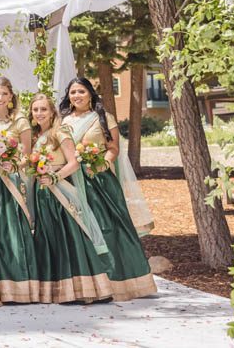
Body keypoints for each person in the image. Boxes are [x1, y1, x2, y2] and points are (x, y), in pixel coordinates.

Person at [61, 77, 156, 301]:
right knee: (82, 230)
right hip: (73, 182)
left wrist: (102, 164)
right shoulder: (64, 121)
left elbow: (113, 147)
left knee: (109, 229)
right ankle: (90, 285)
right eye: (73, 92)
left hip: (99, 181)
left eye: (81, 92)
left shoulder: (103, 117)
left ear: (91, 94)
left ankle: (121, 282)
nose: (77, 96)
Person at [29, 93, 112, 303]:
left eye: (43, 109)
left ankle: (84, 289)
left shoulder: (60, 132)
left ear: (52, 111)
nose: (39, 113)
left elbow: (73, 163)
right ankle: (59, 290)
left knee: (70, 237)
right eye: (35, 109)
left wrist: (54, 177)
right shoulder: (36, 135)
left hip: (61, 191)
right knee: (51, 239)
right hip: (43, 194)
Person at [0, 77, 40, 304]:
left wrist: (15, 165)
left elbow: (28, 154)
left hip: (13, 179)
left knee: (13, 229)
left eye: (4, 94)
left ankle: (21, 283)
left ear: (11, 96)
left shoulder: (20, 122)